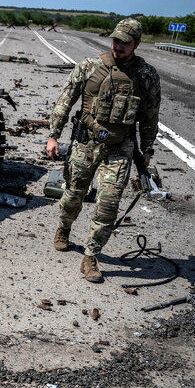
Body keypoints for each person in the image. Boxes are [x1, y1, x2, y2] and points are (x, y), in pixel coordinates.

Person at [45, 18, 160, 283]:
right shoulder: (89, 66)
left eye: (124, 42)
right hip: (86, 144)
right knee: (74, 195)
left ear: (137, 44)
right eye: (115, 40)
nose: (117, 46)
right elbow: (66, 99)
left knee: (107, 206)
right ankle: (64, 227)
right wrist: (53, 136)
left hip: (120, 148)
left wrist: (147, 149)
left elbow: (151, 115)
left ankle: (91, 256)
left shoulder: (146, 75)